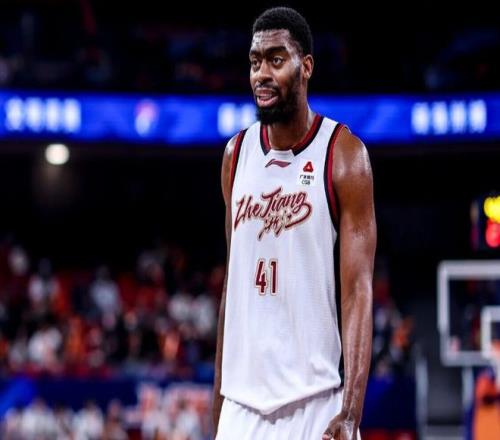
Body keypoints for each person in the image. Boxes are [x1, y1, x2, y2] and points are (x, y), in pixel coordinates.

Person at [212, 7, 376, 440]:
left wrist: (351, 411)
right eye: (255, 62)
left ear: (306, 67)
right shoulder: (235, 156)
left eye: (276, 60)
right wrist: (219, 405)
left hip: (317, 402)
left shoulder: (343, 155)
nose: (262, 74)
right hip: (242, 406)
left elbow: (358, 290)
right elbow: (232, 287)